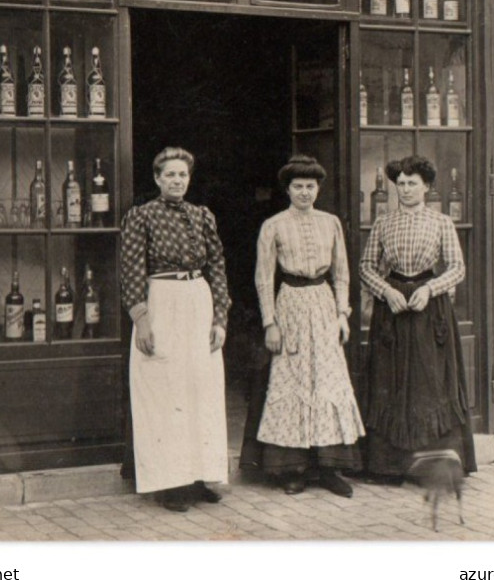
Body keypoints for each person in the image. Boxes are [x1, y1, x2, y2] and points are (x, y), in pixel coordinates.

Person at [242, 154, 365, 496]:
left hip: (323, 304)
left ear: (318, 189)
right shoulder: (274, 225)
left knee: (326, 378)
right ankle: (291, 468)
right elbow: (264, 278)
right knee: (292, 378)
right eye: (298, 186)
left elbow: (342, 273)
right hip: (291, 303)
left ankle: (328, 467)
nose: (305, 193)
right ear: (288, 189)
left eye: (310, 186)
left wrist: (343, 314)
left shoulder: (331, 223)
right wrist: (270, 322)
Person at [120, 146, 230, 512]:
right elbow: (131, 269)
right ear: (157, 178)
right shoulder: (141, 216)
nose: (177, 181)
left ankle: (199, 476)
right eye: (170, 174)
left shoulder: (203, 216)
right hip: (162, 302)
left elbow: (217, 267)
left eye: (183, 175)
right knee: (164, 393)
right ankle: (170, 483)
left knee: (201, 389)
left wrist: (220, 319)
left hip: (198, 303)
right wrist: (142, 319)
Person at [360, 155, 477, 480]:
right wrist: (387, 292)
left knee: (431, 383)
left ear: (426, 187)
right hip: (393, 307)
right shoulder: (383, 223)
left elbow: (457, 267)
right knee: (391, 380)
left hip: (430, 309)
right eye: (401, 183)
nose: (406, 189)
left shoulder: (441, 223)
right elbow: (366, 266)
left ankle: (435, 465)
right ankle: (389, 466)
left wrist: (430, 289)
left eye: (413, 183)